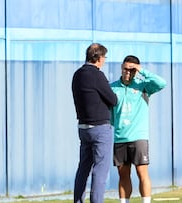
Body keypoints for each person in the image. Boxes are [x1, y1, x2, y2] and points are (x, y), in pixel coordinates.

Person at [110, 55, 166, 203]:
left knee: (142, 174)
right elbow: (109, 113)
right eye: (125, 69)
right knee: (123, 175)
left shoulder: (143, 85)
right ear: (121, 68)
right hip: (120, 137)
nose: (127, 72)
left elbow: (162, 83)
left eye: (131, 69)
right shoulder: (112, 87)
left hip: (138, 137)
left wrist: (142, 71)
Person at [72, 43, 118, 203]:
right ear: (98, 58)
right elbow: (113, 99)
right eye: (104, 57)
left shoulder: (77, 74)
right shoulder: (97, 75)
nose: (104, 61)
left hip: (83, 127)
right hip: (99, 128)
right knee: (100, 171)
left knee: (83, 168)